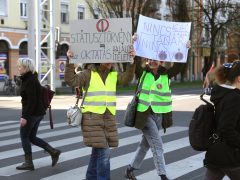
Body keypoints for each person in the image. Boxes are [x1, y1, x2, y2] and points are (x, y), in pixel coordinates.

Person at [124, 35, 191, 180]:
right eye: (150, 59)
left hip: (159, 115)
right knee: (157, 145)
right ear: (147, 61)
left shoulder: (166, 74)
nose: (152, 61)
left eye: (155, 59)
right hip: (144, 115)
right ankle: (163, 175)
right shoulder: (143, 73)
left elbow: (179, 65)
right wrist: (133, 44)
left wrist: (186, 49)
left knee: (145, 145)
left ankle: (130, 169)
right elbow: (134, 62)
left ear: (161, 60)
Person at [64, 50, 135, 180]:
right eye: (106, 57)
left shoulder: (113, 74)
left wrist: (131, 62)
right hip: (91, 119)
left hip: (108, 118)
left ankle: (90, 177)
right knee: (104, 151)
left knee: (97, 152)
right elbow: (71, 80)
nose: (109, 60)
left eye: (111, 57)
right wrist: (69, 61)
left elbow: (127, 78)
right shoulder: (88, 73)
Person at [16, 58, 61, 171]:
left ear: (26, 68)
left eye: (20, 66)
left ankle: (28, 163)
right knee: (32, 137)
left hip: (32, 114)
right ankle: (53, 151)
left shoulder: (30, 81)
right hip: (37, 113)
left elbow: (32, 101)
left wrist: (25, 117)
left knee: (24, 136)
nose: (18, 68)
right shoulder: (31, 79)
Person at [203, 60, 240, 180]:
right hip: (230, 156)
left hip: (217, 152)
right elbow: (226, 127)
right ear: (239, 78)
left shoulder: (224, 94)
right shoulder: (234, 98)